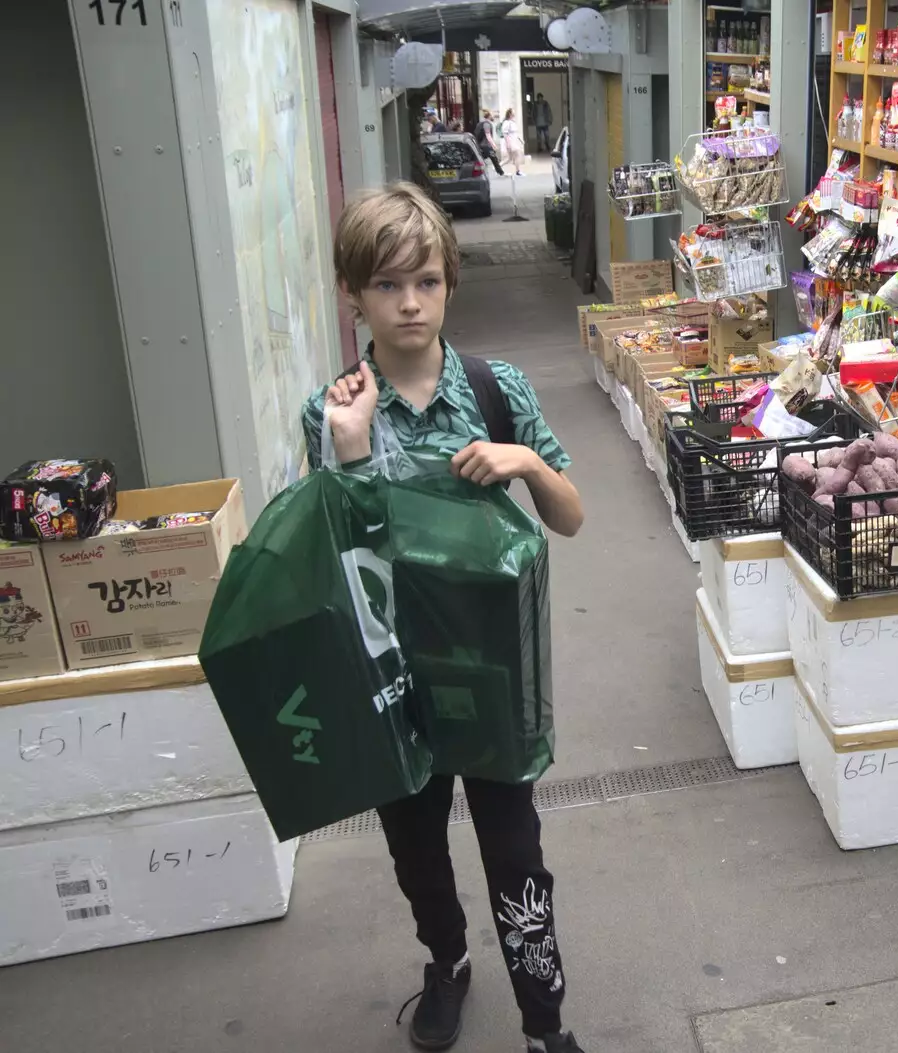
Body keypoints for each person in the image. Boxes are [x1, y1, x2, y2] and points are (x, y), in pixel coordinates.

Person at [300, 183, 587, 1053]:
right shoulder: (336, 409)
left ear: (450, 281)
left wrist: (528, 461)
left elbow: (570, 515)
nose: (410, 302)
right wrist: (350, 454)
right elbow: (333, 559)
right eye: (387, 285)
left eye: (424, 280)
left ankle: (545, 1022)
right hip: (395, 682)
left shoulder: (494, 391)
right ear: (354, 294)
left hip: (491, 675)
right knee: (417, 850)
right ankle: (449, 959)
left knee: (516, 853)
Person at [475, 109, 505, 175]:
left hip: (483, 145)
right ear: (489, 116)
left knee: (488, 158)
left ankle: (500, 172)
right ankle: (500, 172)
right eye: (492, 115)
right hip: (486, 145)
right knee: (493, 158)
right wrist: (494, 145)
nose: (493, 116)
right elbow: (488, 136)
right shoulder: (486, 124)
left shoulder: (483, 123)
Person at [501, 108, 525, 177]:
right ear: (510, 114)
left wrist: (520, 140)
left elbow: (515, 134)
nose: (514, 113)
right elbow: (505, 134)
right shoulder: (507, 123)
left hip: (514, 141)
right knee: (517, 155)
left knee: (509, 158)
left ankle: (497, 167)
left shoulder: (512, 122)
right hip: (511, 142)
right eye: (513, 112)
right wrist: (508, 144)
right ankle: (518, 171)